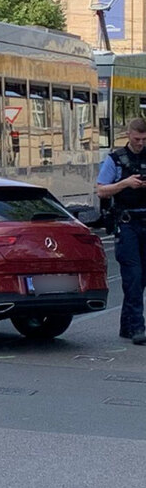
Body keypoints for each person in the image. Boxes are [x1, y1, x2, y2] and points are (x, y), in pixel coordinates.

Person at [96, 117, 146, 345]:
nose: (141, 144)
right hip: (126, 224)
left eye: (144, 139)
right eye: (137, 139)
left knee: (141, 278)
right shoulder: (116, 159)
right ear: (128, 135)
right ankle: (137, 327)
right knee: (133, 276)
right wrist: (126, 183)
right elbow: (101, 191)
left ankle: (127, 325)